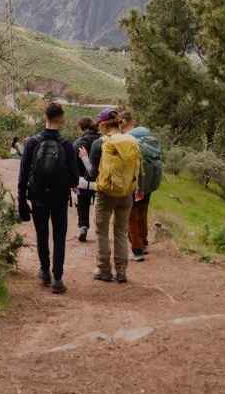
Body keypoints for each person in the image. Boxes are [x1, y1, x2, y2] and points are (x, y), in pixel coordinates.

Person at [17, 102, 79, 294]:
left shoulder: (32, 143)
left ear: (45, 117)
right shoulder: (67, 145)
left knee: (42, 235)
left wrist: (21, 198)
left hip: (38, 197)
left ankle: (45, 272)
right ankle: (58, 279)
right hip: (60, 198)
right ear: (61, 119)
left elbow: (23, 173)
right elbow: (75, 178)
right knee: (59, 237)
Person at [79, 108, 143, 283]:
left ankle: (104, 270)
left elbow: (92, 174)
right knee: (121, 232)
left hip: (106, 193)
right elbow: (139, 167)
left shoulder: (100, 143)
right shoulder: (131, 141)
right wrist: (139, 188)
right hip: (126, 193)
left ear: (103, 124)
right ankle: (121, 271)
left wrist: (84, 158)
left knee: (101, 231)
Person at [119, 113, 162, 257]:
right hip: (149, 181)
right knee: (143, 212)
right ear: (134, 122)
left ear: (121, 126)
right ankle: (144, 241)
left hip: (135, 183)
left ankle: (136, 248)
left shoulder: (128, 141)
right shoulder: (148, 138)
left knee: (131, 216)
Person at [72, 117, 101, 242]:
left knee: (82, 204)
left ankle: (83, 227)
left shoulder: (78, 143)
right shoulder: (102, 141)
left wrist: (72, 182)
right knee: (100, 205)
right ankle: (101, 230)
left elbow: (72, 164)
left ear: (81, 127)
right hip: (100, 180)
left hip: (82, 181)